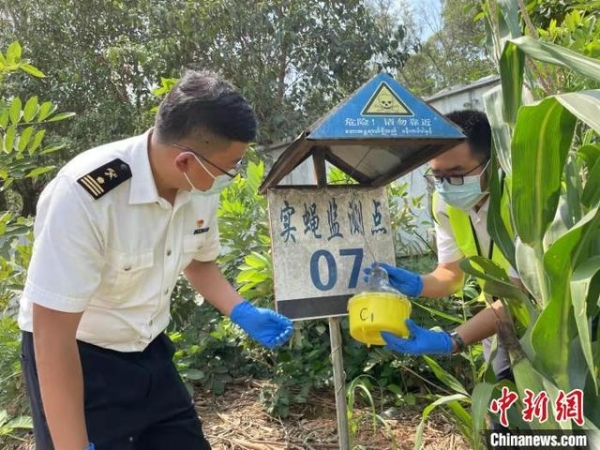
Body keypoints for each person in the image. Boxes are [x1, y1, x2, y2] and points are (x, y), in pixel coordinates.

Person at [18, 70, 294, 450]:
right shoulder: (86, 195)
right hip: (78, 358)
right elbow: (52, 335)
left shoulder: (200, 184)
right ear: (184, 160)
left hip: (148, 349)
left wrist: (240, 310)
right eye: (229, 166)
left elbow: (198, 262)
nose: (231, 175)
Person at [372, 109, 518, 382]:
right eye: (438, 176)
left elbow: (521, 294)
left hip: (547, 318)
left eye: (457, 173)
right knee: (501, 409)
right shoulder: (446, 204)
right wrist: (417, 284)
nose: (447, 185)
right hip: (497, 320)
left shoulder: (522, 198)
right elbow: (451, 273)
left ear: (492, 161)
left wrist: (452, 340)